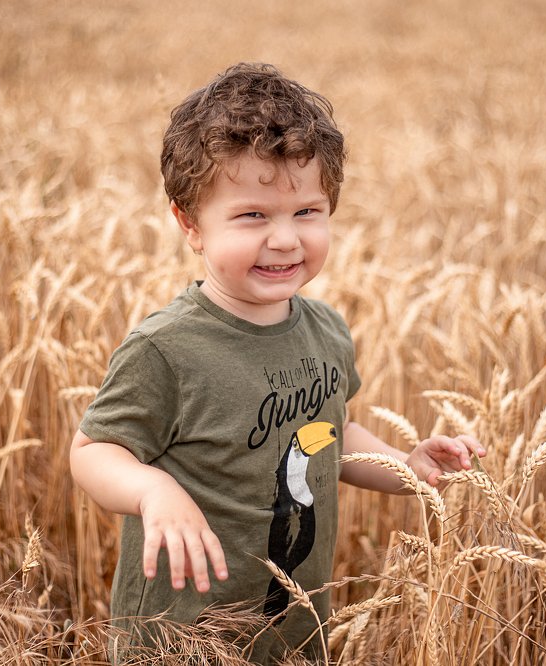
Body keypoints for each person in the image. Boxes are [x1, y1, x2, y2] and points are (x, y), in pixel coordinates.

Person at [69, 62, 486, 663]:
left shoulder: (325, 330)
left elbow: (326, 435)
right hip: (182, 636)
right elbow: (92, 453)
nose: (286, 239)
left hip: (293, 627)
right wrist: (152, 490)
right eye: (253, 215)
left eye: (307, 213)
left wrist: (408, 464)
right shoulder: (169, 349)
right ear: (190, 223)